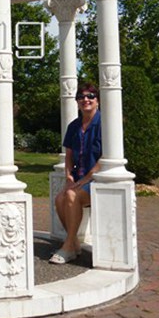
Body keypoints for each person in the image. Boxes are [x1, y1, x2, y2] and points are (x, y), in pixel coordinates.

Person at [50, 82, 103, 264]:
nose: (85, 100)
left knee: (71, 195)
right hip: (79, 179)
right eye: (81, 97)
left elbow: (105, 158)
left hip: (99, 179)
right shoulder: (74, 126)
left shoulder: (104, 123)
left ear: (98, 100)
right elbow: (69, 156)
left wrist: (85, 179)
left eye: (90, 96)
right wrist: (69, 177)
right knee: (59, 199)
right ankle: (74, 244)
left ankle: (68, 247)